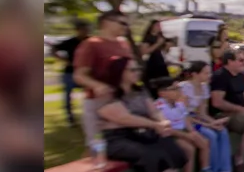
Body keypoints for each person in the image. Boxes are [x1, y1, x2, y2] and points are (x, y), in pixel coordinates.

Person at [95, 57, 187, 172]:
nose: (137, 72)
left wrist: (162, 121)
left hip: (142, 132)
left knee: (174, 151)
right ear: (120, 73)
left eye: (137, 69)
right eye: (132, 70)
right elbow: (125, 118)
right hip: (118, 139)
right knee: (155, 156)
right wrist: (155, 125)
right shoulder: (107, 94)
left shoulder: (139, 90)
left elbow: (153, 110)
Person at [152, 77, 221, 172]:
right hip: (170, 135)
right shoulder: (158, 106)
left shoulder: (179, 103)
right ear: (163, 93)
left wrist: (192, 132)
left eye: (179, 88)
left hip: (183, 131)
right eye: (174, 89)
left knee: (204, 142)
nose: (179, 91)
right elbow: (166, 128)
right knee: (189, 149)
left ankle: (204, 170)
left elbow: (186, 119)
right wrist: (187, 135)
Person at [73, 10, 133, 145]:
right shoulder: (92, 44)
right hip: (98, 101)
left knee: (122, 141)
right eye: (122, 23)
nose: (126, 27)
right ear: (106, 23)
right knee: (97, 143)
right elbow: (79, 76)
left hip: (121, 99)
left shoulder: (123, 43)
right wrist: (97, 85)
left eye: (127, 24)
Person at [178, 61, 238, 172]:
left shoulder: (204, 87)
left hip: (198, 119)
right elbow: (185, 115)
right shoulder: (183, 88)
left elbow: (202, 113)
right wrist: (209, 126)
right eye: (206, 73)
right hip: (187, 122)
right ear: (194, 74)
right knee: (210, 135)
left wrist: (213, 123)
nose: (209, 75)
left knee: (222, 131)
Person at [51, 19, 90, 126]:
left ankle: (88, 116)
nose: (85, 32)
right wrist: (64, 60)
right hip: (70, 72)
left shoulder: (90, 41)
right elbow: (54, 48)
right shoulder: (70, 42)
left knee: (89, 95)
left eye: (86, 30)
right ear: (77, 30)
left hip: (86, 73)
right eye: (82, 30)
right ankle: (70, 117)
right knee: (68, 95)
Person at [140, 20, 171, 98]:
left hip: (160, 62)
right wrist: (158, 44)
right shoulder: (148, 38)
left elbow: (163, 51)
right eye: (157, 26)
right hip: (152, 63)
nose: (159, 28)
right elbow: (145, 51)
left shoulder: (161, 37)